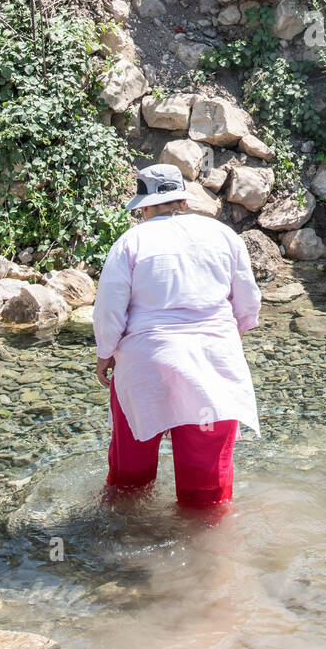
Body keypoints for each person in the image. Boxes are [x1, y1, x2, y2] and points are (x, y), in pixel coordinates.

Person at [93, 163, 261, 510]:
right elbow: (248, 302)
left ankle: (122, 541)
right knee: (206, 492)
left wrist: (105, 353)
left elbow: (109, 308)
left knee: (130, 476)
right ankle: (208, 555)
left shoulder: (131, 241)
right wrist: (236, 334)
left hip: (147, 364)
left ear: (143, 207)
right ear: (183, 201)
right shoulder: (223, 235)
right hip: (212, 364)